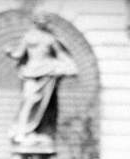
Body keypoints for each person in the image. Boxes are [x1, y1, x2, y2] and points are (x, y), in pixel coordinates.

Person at [5, 11, 78, 146]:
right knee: (29, 101)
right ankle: (22, 131)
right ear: (36, 21)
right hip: (31, 72)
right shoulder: (28, 37)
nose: (43, 22)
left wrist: (70, 66)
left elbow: (61, 53)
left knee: (44, 105)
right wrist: (10, 52)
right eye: (41, 19)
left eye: (45, 20)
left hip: (47, 72)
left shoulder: (50, 38)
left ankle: (38, 132)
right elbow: (19, 53)